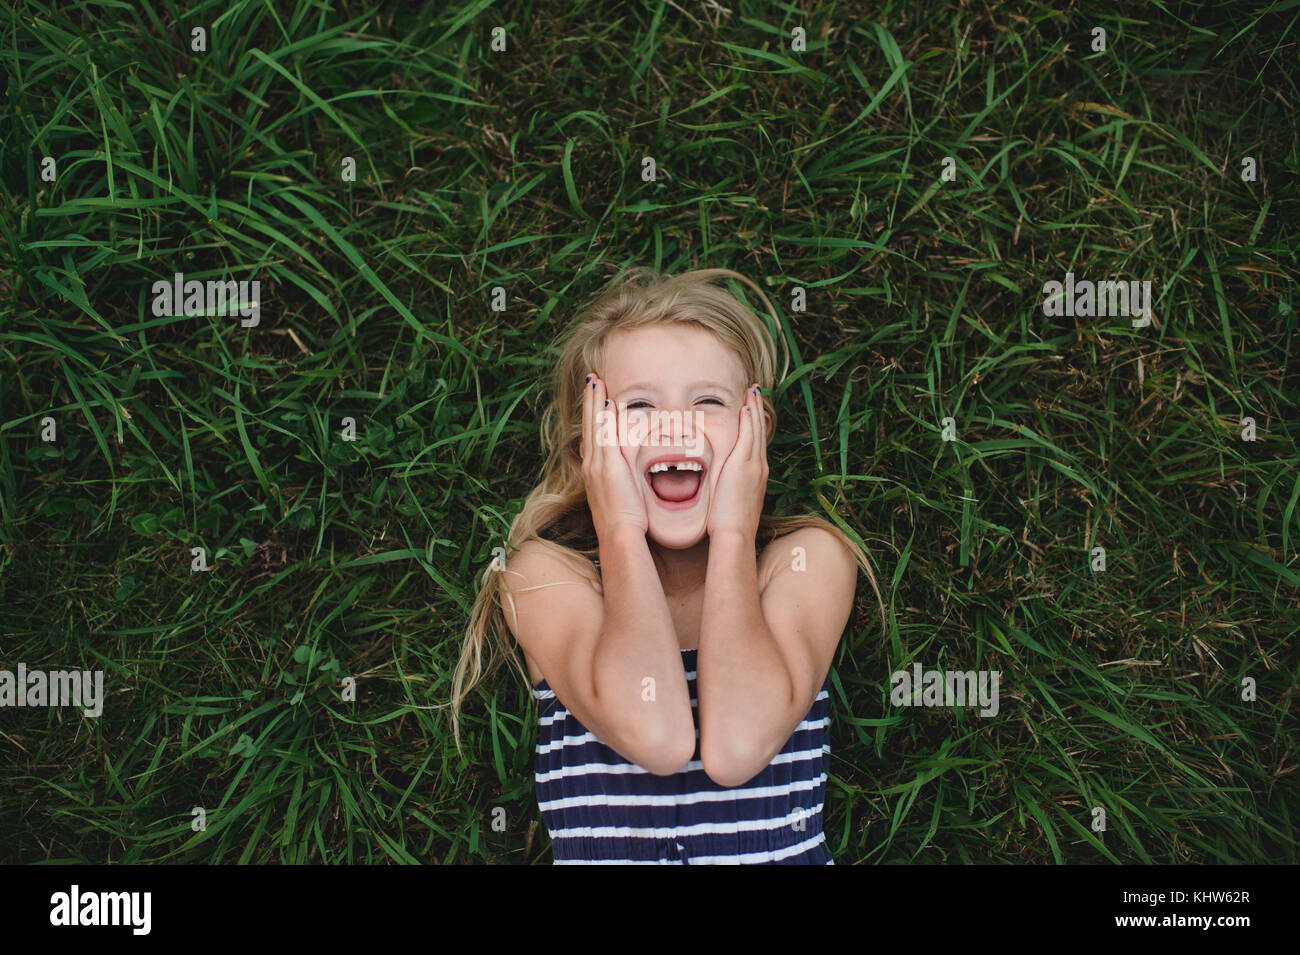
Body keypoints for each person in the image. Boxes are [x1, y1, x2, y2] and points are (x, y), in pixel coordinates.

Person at [452, 267, 884, 863]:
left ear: (755, 431)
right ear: (589, 445)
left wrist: (735, 534)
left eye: (708, 400)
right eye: (638, 404)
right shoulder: (546, 576)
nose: (674, 423)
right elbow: (659, 738)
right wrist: (619, 530)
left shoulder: (805, 562)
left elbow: (737, 748)